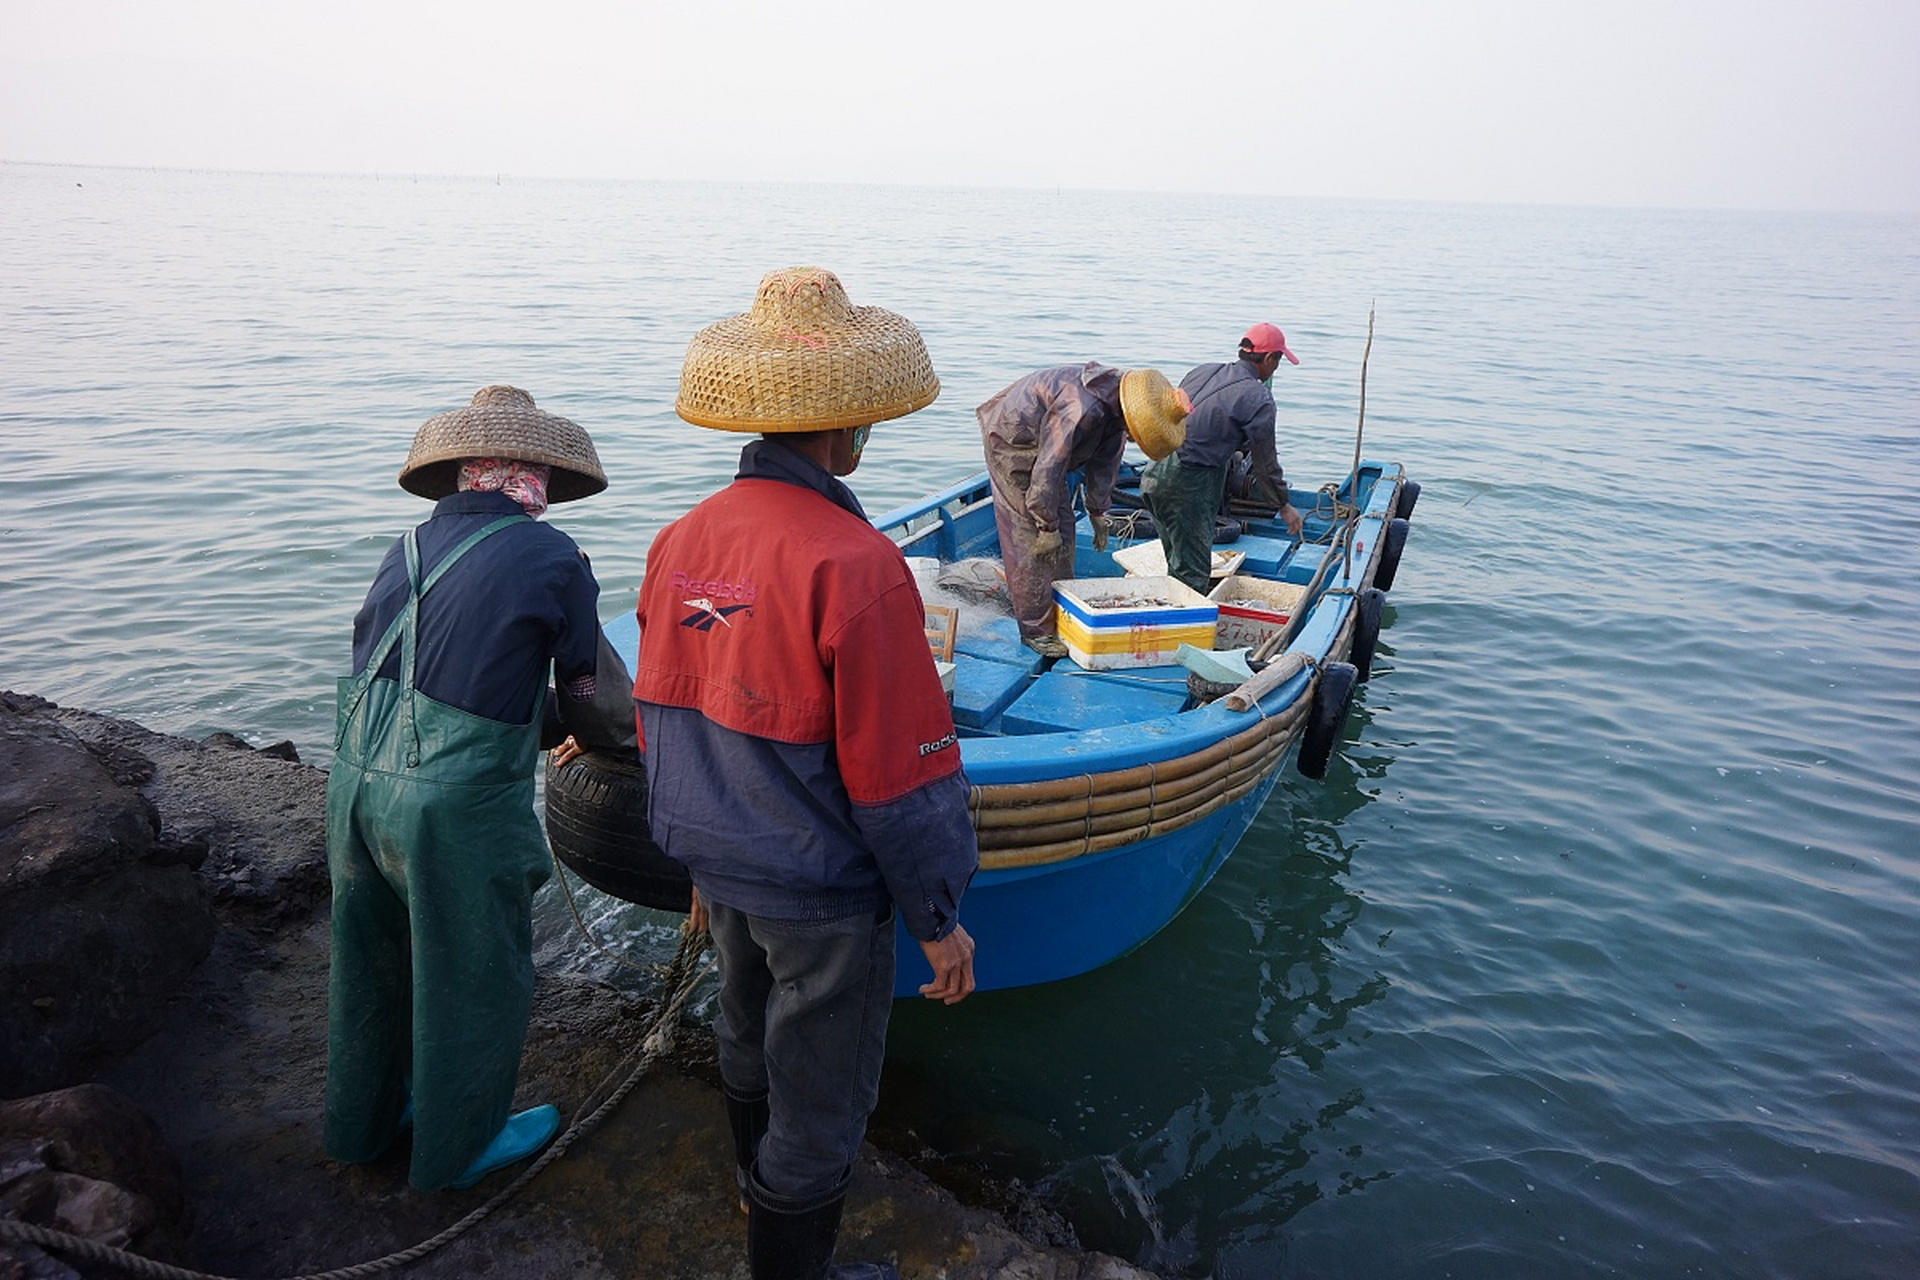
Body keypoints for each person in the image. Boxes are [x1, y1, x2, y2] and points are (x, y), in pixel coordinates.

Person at [633, 266, 979, 1280]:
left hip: (718, 859)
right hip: (820, 889)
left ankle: (753, 1185)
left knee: (746, 1032)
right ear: (844, 433)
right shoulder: (859, 564)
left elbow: (663, 717)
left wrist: (694, 855)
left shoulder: (678, 539)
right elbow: (899, 779)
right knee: (822, 1098)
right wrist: (938, 916)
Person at [325, 385, 607, 1192]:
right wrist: (604, 738)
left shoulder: (407, 546)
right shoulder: (555, 558)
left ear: (461, 475)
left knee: (371, 963)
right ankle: (460, 1147)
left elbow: (411, 665)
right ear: (532, 477)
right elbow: (587, 692)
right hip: (453, 807)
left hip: (354, 786)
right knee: (473, 972)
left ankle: (362, 1123)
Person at [975, 363, 1191, 657]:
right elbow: (1048, 468)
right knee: (1032, 539)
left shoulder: (1116, 410)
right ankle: (1034, 631)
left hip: (1048, 447)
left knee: (1066, 530)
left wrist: (1098, 511)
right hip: (1014, 441)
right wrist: (1045, 525)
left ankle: (1063, 611)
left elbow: (1105, 462)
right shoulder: (1082, 408)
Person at [1141, 323, 1307, 594]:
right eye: (1278, 360)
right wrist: (1283, 505)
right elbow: (1265, 464)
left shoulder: (1203, 370)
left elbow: (1190, 420)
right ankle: (1184, 633)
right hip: (1188, 485)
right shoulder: (1259, 398)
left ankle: (1168, 612)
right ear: (1268, 359)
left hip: (1154, 473)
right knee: (1193, 575)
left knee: (1177, 562)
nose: (1276, 368)